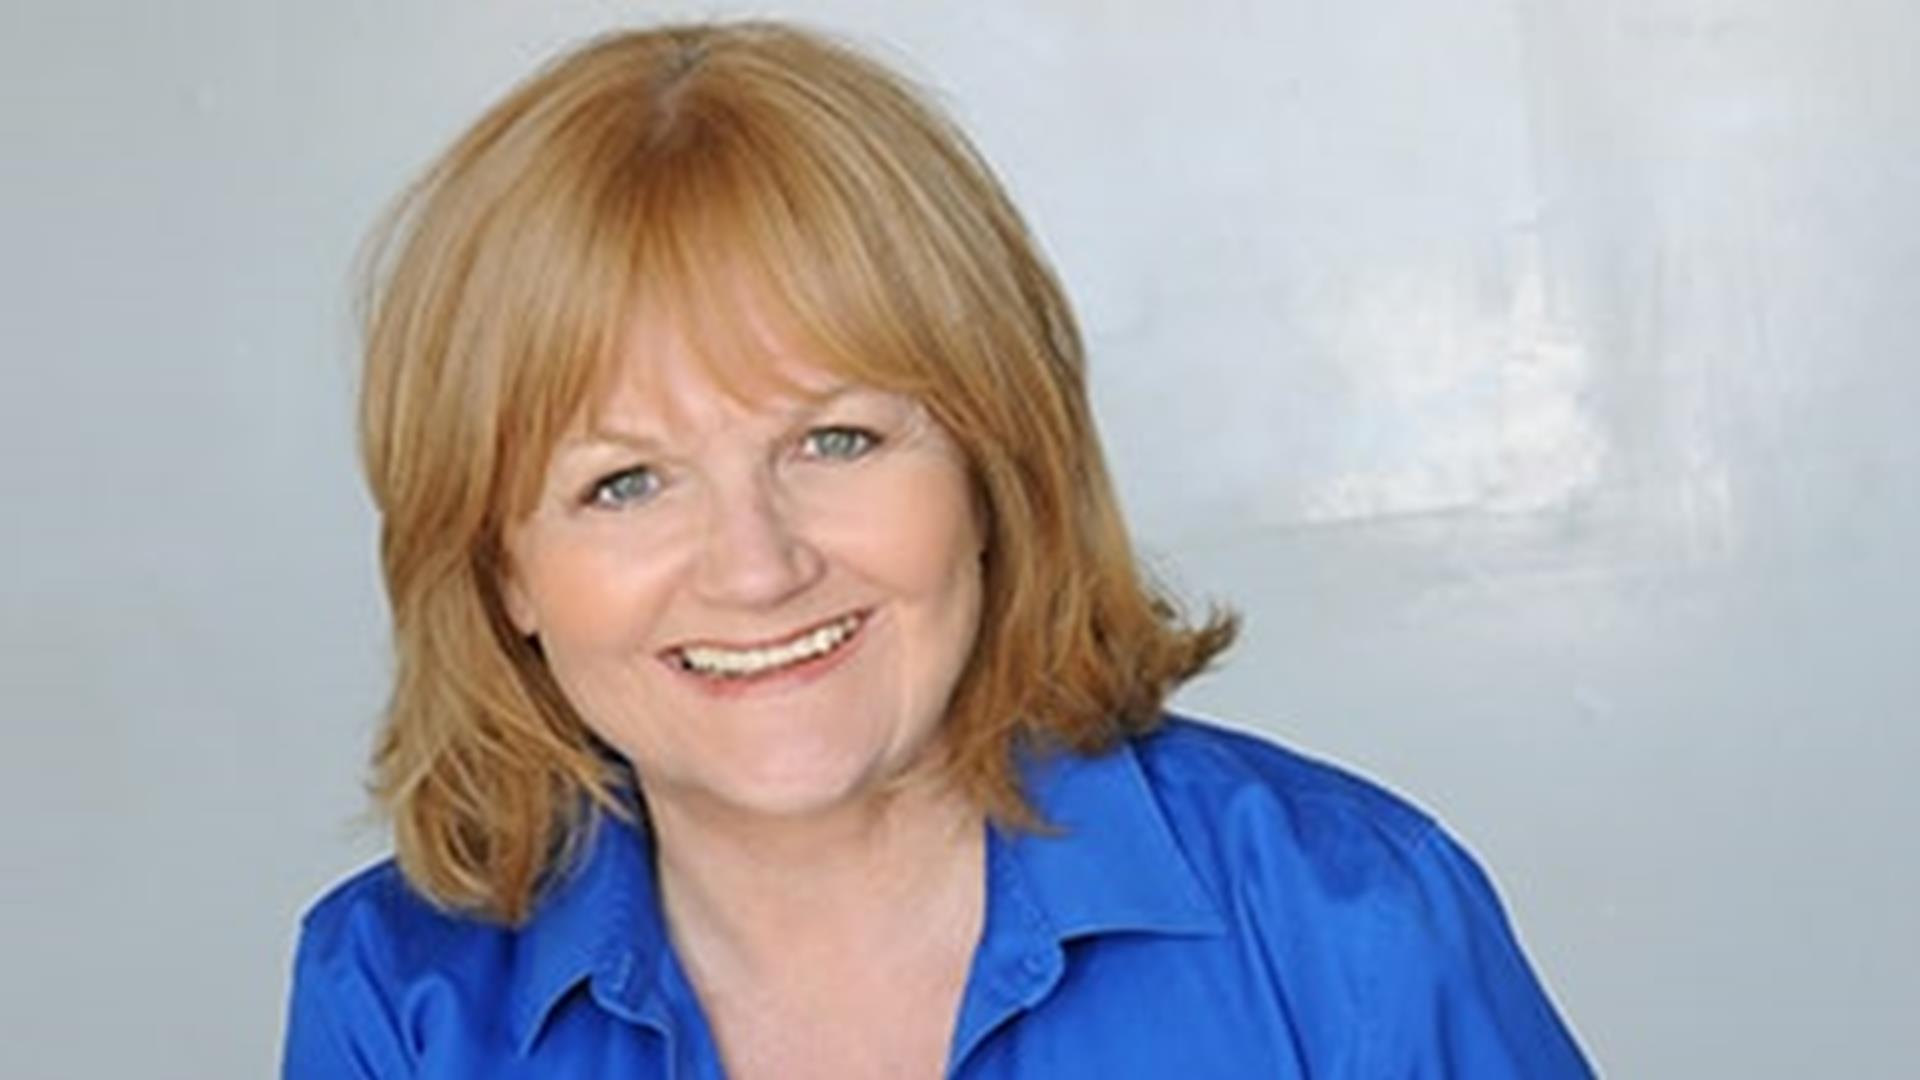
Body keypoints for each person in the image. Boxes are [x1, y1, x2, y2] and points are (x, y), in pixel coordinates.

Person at [283, 20, 1592, 1079]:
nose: (754, 567)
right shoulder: (399, 1006)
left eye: (835, 439)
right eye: (624, 482)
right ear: (503, 568)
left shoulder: (1342, 927)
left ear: (990, 460)